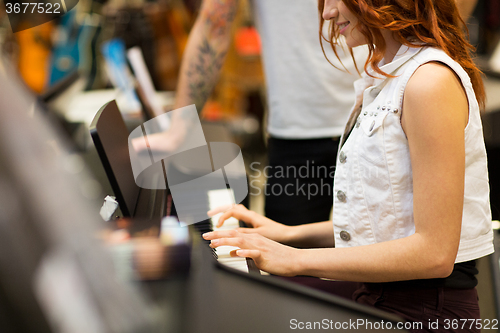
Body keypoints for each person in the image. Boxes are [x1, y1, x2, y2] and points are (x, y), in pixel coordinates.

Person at [203, 0, 494, 330]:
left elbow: (435, 253)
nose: (327, 13)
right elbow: (387, 221)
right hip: (380, 297)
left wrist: (293, 258)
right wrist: (288, 235)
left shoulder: (429, 83)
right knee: (258, 302)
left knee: (256, 311)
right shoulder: (387, 76)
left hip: (423, 312)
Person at [142, 0, 368, 226]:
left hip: (376, 119)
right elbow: (213, 26)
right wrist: (178, 130)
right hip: (294, 131)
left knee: (377, 247)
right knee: (285, 252)